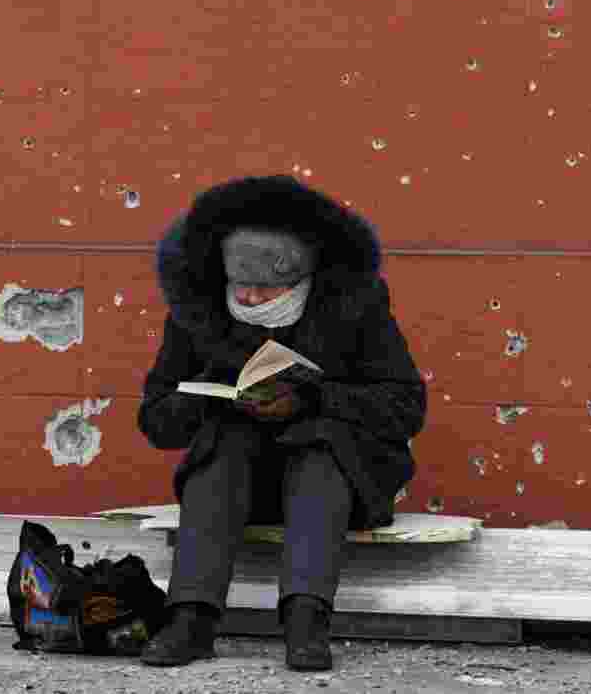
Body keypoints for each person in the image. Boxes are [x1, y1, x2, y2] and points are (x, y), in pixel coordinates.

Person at [136, 175, 427, 671]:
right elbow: (157, 419)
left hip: (338, 474)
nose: (248, 298)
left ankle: (306, 622)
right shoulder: (199, 314)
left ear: (302, 280)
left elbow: (405, 406)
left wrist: (315, 397)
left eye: (265, 287)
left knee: (318, 448)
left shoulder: (357, 308)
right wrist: (212, 393)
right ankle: (191, 620)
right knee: (223, 444)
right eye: (239, 285)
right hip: (240, 477)